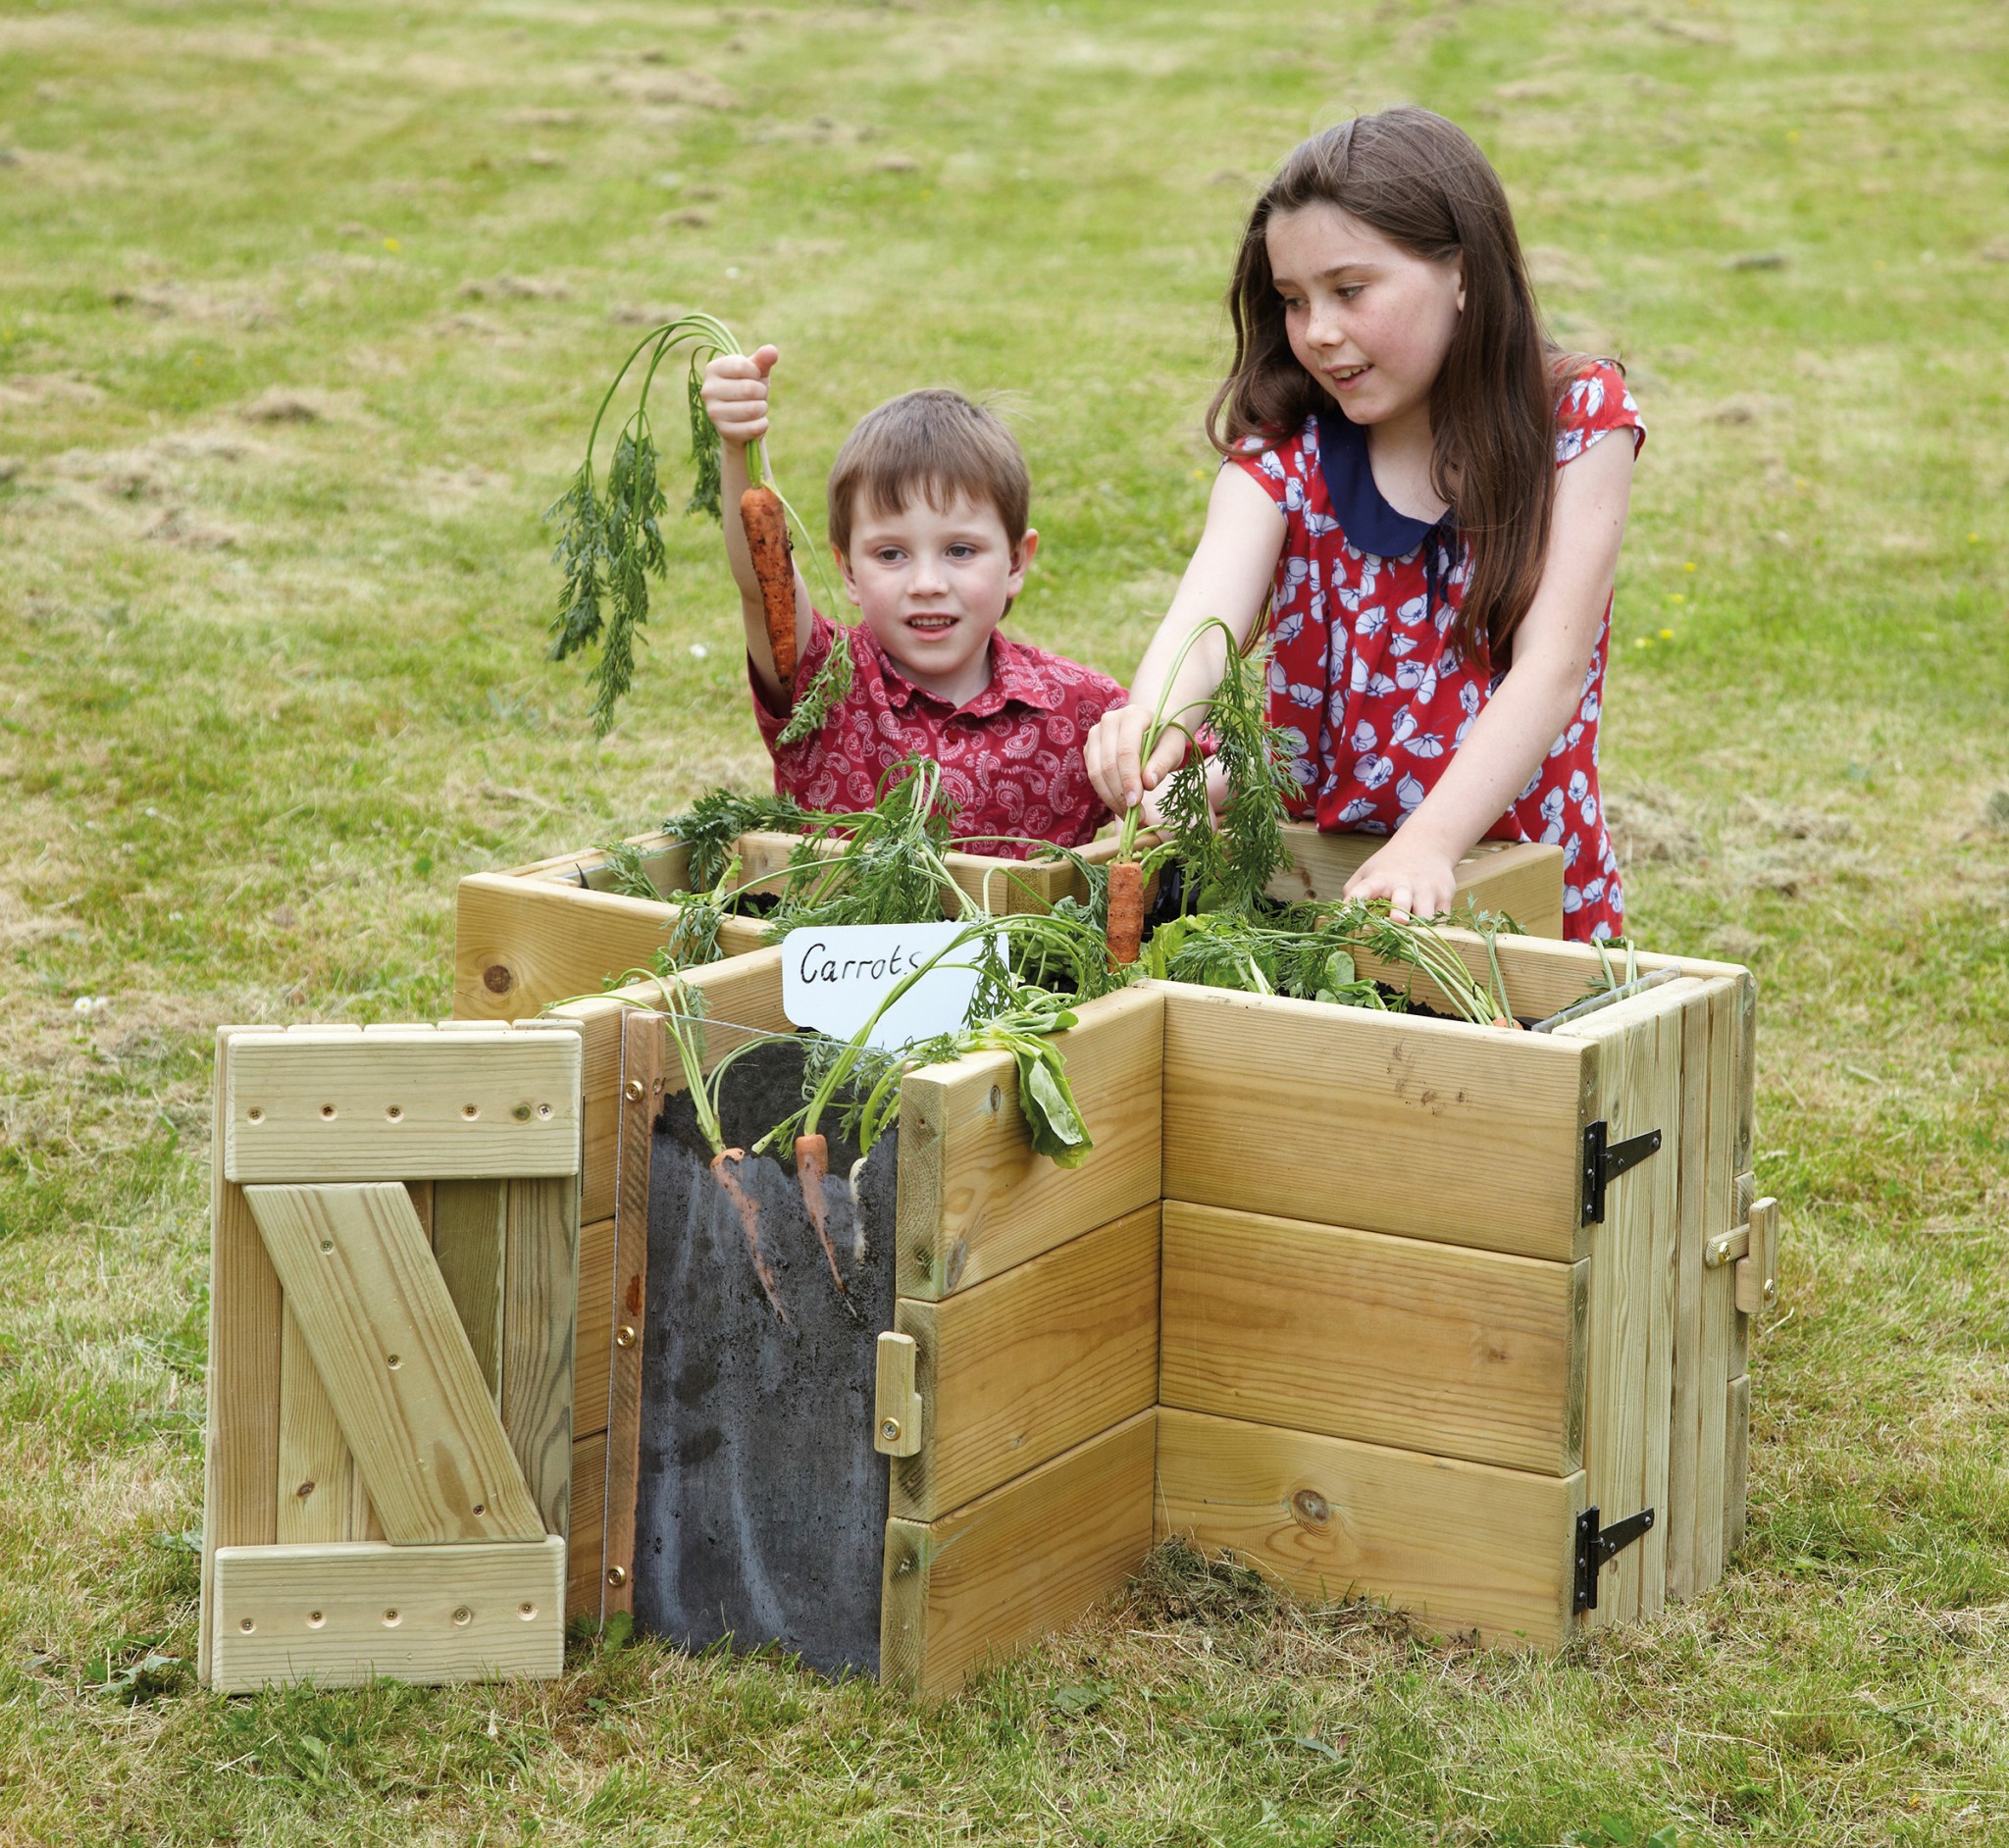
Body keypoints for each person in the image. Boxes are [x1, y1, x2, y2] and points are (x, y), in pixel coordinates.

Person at [1083, 106, 1643, 941]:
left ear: (1464, 272)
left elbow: (1552, 670)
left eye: (1349, 291)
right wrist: (1155, 724)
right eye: (1292, 301)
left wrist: (1430, 846)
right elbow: (1203, 629)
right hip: (1317, 897)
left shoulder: (1575, 421)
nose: (1318, 333)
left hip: (1515, 893)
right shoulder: (1285, 455)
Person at [699, 353, 1124, 857]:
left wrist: (1156, 793)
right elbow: (763, 579)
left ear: (1015, 562)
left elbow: (1201, 770)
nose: (926, 583)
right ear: (849, 571)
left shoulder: (1084, 710)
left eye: (959, 550)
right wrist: (738, 445)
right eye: (891, 554)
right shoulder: (821, 681)